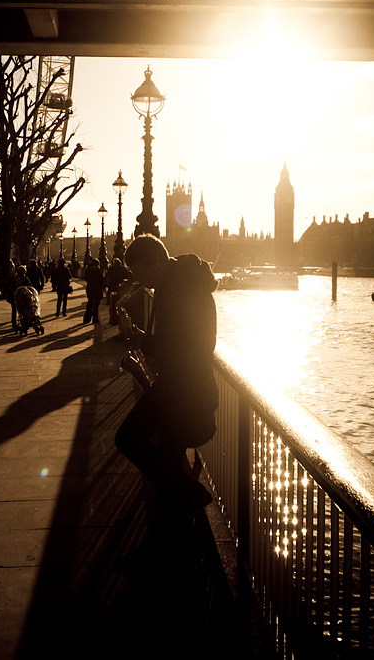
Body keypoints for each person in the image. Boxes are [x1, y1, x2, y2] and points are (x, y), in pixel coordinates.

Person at [114, 235, 219, 556]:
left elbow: (187, 348)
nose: (139, 281)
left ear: (156, 263)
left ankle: (190, 496)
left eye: (140, 272)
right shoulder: (178, 283)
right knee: (169, 467)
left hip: (183, 392)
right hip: (182, 388)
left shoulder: (179, 290)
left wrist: (144, 340)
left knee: (128, 439)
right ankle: (165, 547)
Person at [6, 265, 31, 332]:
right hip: (15, 296)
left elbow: (29, 287)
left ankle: (23, 322)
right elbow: (9, 287)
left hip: (23, 297)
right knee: (14, 309)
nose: (21, 273)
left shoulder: (26, 279)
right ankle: (14, 323)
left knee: (23, 310)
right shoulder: (14, 278)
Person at [106, 257, 130, 325]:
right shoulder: (123, 269)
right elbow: (126, 277)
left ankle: (112, 319)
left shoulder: (111, 269)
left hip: (112, 287)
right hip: (122, 288)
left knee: (112, 304)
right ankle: (120, 319)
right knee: (121, 304)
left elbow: (108, 278)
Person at [83, 258, 105, 324]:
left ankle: (87, 318)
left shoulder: (88, 269)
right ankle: (95, 319)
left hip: (90, 288)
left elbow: (86, 279)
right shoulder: (98, 270)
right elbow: (101, 280)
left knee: (90, 302)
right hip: (97, 288)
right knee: (96, 305)